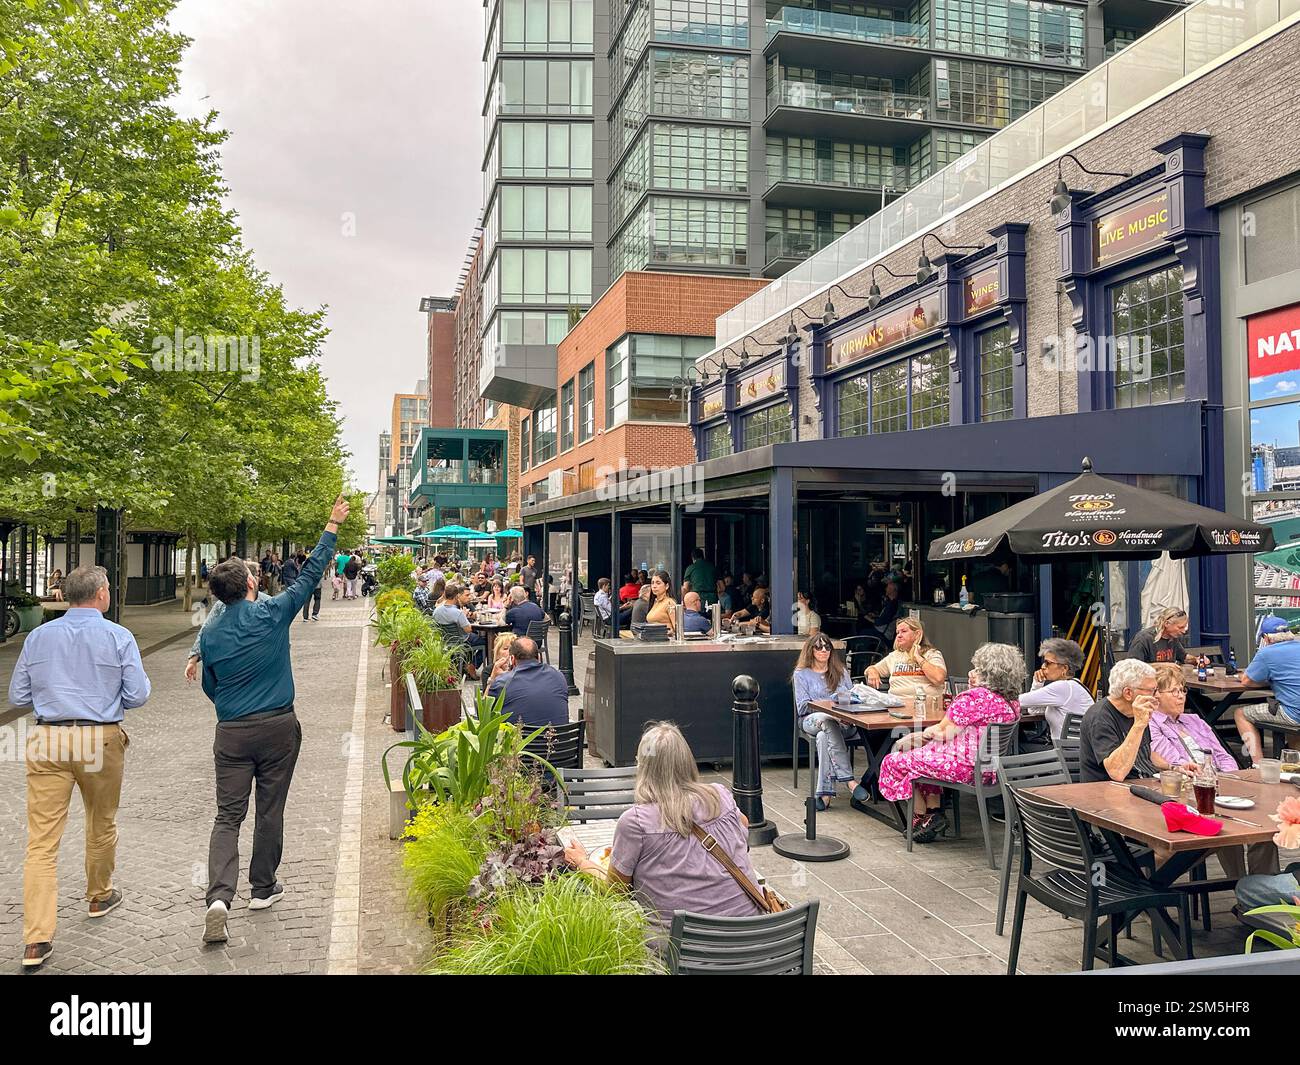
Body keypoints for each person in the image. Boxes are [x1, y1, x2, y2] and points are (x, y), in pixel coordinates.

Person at [197, 494, 349, 945]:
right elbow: (308, 576)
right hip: (278, 725)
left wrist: (229, 706)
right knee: (270, 808)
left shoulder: (210, 631)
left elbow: (210, 685)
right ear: (248, 584)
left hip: (232, 731)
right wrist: (332, 524)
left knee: (227, 816)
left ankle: (219, 897)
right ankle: (262, 888)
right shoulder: (272, 612)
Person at [8, 564, 152, 969]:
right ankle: (99, 894)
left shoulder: (37, 637)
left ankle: (36, 939)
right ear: (102, 593)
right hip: (98, 737)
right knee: (101, 821)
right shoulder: (118, 636)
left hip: (48, 738)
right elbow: (138, 695)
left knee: (41, 842)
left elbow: (18, 693)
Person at [563, 721, 763, 938]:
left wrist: (582, 862)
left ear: (642, 767)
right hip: (754, 942)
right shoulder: (719, 795)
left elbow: (616, 891)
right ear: (687, 761)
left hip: (687, 955)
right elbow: (743, 826)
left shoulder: (635, 822)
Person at [878, 642, 1023, 842]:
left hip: (964, 768)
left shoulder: (973, 698)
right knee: (919, 759)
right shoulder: (1012, 702)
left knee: (895, 761)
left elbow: (941, 732)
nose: (971, 672)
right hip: (989, 770)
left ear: (991, 674)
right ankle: (933, 813)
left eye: (978, 669)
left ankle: (920, 819)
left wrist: (914, 736)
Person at [1149, 664, 1278, 880]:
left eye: (1183, 690)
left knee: (1264, 828)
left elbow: (1223, 755)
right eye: (1174, 691)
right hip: (1192, 792)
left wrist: (1229, 777)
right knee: (1226, 826)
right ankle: (1241, 888)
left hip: (1222, 785)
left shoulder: (1195, 720)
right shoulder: (1152, 724)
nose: (1181, 696)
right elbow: (1174, 761)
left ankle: (1263, 890)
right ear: (1156, 696)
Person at [1079, 658, 1198, 783]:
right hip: (1109, 793)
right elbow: (1116, 772)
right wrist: (1139, 725)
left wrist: (1173, 768)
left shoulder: (1136, 710)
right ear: (1128, 693)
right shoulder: (1100, 718)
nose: (1157, 695)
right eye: (1152, 690)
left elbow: (1145, 752)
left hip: (1143, 784)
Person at [793, 634, 863, 810]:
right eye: (818, 647)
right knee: (826, 720)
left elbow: (853, 698)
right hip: (811, 720)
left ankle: (824, 794)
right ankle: (848, 779)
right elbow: (802, 707)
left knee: (824, 737)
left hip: (843, 723)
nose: (824, 650)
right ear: (811, 651)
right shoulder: (801, 674)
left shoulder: (841, 672)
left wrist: (844, 709)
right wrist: (830, 709)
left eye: (827, 647)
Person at [187, 561, 271, 682]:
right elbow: (206, 629)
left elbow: (205, 630)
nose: (259, 578)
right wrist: (193, 658)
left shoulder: (267, 602)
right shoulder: (268, 603)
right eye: (257, 575)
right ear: (250, 581)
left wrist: (193, 659)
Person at [1233, 614, 1300, 764]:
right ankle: (1294, 763)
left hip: (1294, 714)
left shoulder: (1266, 653)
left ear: (1266, 638)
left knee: (1240, 714)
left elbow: (1247, 681)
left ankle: (1258, 764)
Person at [1017, 638, 1092, 742]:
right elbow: (1034, 710)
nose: (1043, 667)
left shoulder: (1062, 688)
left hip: (1065, 753)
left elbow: (1020, 701)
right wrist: (1038, 683)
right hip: (1075, 751)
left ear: (1064, 668)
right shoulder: (1076, 686)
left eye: (1048, 663)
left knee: (1019, 745)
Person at [487, 636, 569, 728]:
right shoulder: (558, 676)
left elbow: (483, 715)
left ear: (512, 659)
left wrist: (492, 679)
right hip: (559, 740)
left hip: (521, 741)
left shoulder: (502, 682)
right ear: (538, 657)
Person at [865, 617, 947, 701]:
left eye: (904, 631)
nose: (899, 635)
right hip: (897, 706)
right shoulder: (894, 656)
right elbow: (871, 669)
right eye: (897, 632)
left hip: (926, 705)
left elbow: (939, 678)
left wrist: (918, 658)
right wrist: (872, 671)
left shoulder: (932, 654)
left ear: (917, 634)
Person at [433, 582, 484, 677]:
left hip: (445, 640)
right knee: (484, 641)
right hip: (461, 641)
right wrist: (464, 616)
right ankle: (472, 665)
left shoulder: (436, 611)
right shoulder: (457, 612)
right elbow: (468, 629)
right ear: (456, 596)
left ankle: (465, 665)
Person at [644, 570, 678, 635]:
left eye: (658, 583)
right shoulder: (655, 602)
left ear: (667, 586)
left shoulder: (670, 603)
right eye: (652, 583)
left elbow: (678, 630)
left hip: (666, 642)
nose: (654, 586)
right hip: (653, 641)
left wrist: (666, 633)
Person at [299, 552, 322, 622]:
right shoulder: (319, 564)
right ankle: (315, 614)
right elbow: (321, 574)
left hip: (307, 585)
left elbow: (301, 573)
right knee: (317, 599)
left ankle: (305, 617)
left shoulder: (304, 564)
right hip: (317, 585)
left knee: (306, 601)